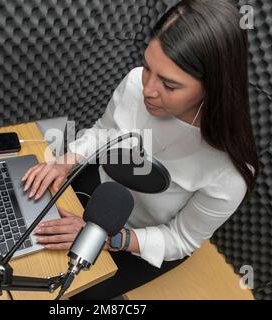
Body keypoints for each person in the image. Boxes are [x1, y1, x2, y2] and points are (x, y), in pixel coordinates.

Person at [21, 0, 259, 299]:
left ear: (214, 86)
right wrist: (65, 162)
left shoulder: (230, 172)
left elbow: (180, 239)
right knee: (25, 235)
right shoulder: (136, 82)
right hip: (101, 190)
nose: (147, 89)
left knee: (66, 295)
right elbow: (105, 131)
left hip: (138, 240)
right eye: (148, 67)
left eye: (169, 85)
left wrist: (107, 239)